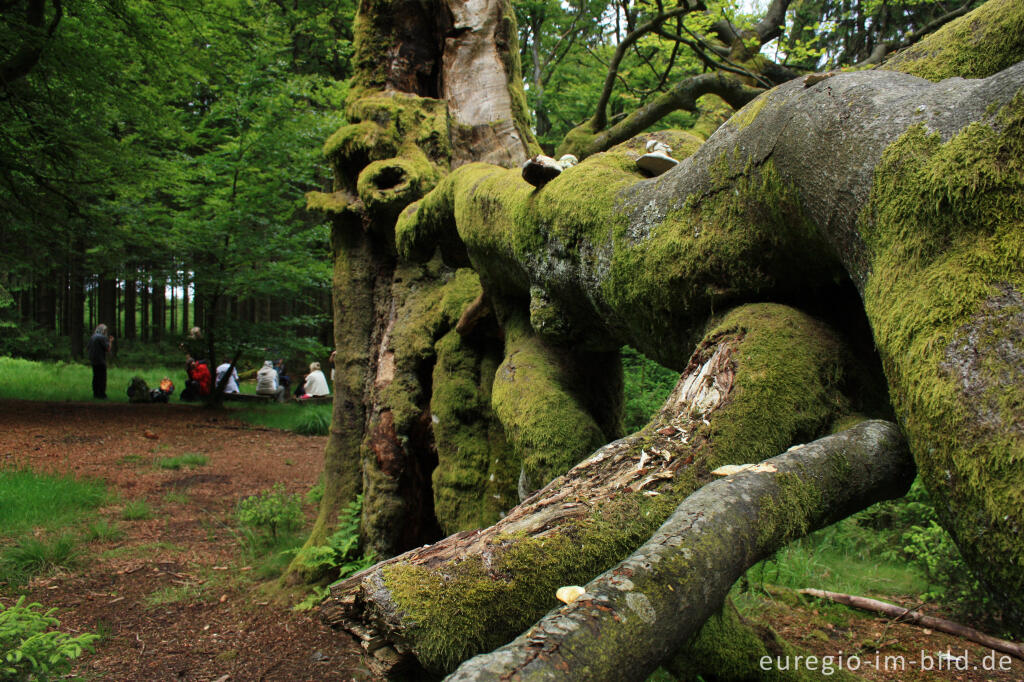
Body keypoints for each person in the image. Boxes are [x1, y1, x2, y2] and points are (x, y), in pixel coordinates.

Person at [87, 324, 113, 399]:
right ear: (103, 330)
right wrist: (110, 341)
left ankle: (95, 393)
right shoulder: (102, 338)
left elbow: (88, 348)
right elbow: (108, 349)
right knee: (102, 378)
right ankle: (102, 394)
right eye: (105, 330)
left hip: (93, 360)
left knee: (95, 377)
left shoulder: (93, 337)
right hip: (101, 361)